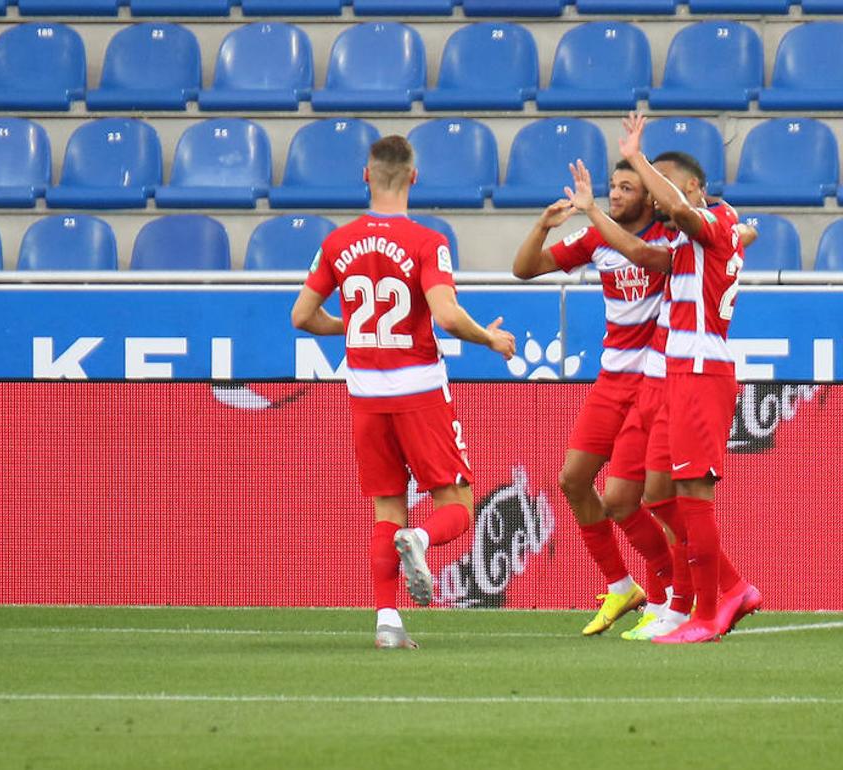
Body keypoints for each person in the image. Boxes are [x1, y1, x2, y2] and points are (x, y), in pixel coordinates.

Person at [291, 136, 515, 649]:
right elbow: (446, 316)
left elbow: (301, 316)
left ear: (365, 176)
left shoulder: (337, 242)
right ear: (414, 178)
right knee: (457, 503)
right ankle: (422, 540)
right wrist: (490, 338)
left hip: (365, 393)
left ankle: (387, 623)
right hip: (418, 389)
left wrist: (350, 326)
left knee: (387, 508)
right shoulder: (427, 241)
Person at [566, 113, 762, 644]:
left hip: (701, 369)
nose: (656, 198)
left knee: (691, 493)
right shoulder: (693, 242)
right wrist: (590, 212)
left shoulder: (711, 222)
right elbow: (638, 251)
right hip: (679, 372)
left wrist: (636, 158)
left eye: (662, 184)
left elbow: (678, 209)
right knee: (663, 496)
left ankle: (707, 608)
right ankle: (725, 591)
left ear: (693, 188)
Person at [513, 162, 678, 637]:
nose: (617, 194)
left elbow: (644, 253)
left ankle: (668, 595)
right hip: (611, 381)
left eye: (628, 188)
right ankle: (621, 585)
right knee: (572, 479)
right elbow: (524, 269)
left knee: (639, 497)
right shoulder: (596, 240)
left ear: (650, 199)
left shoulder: (668, 241)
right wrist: (542, 226)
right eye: (614, 187)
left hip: (655, 383)